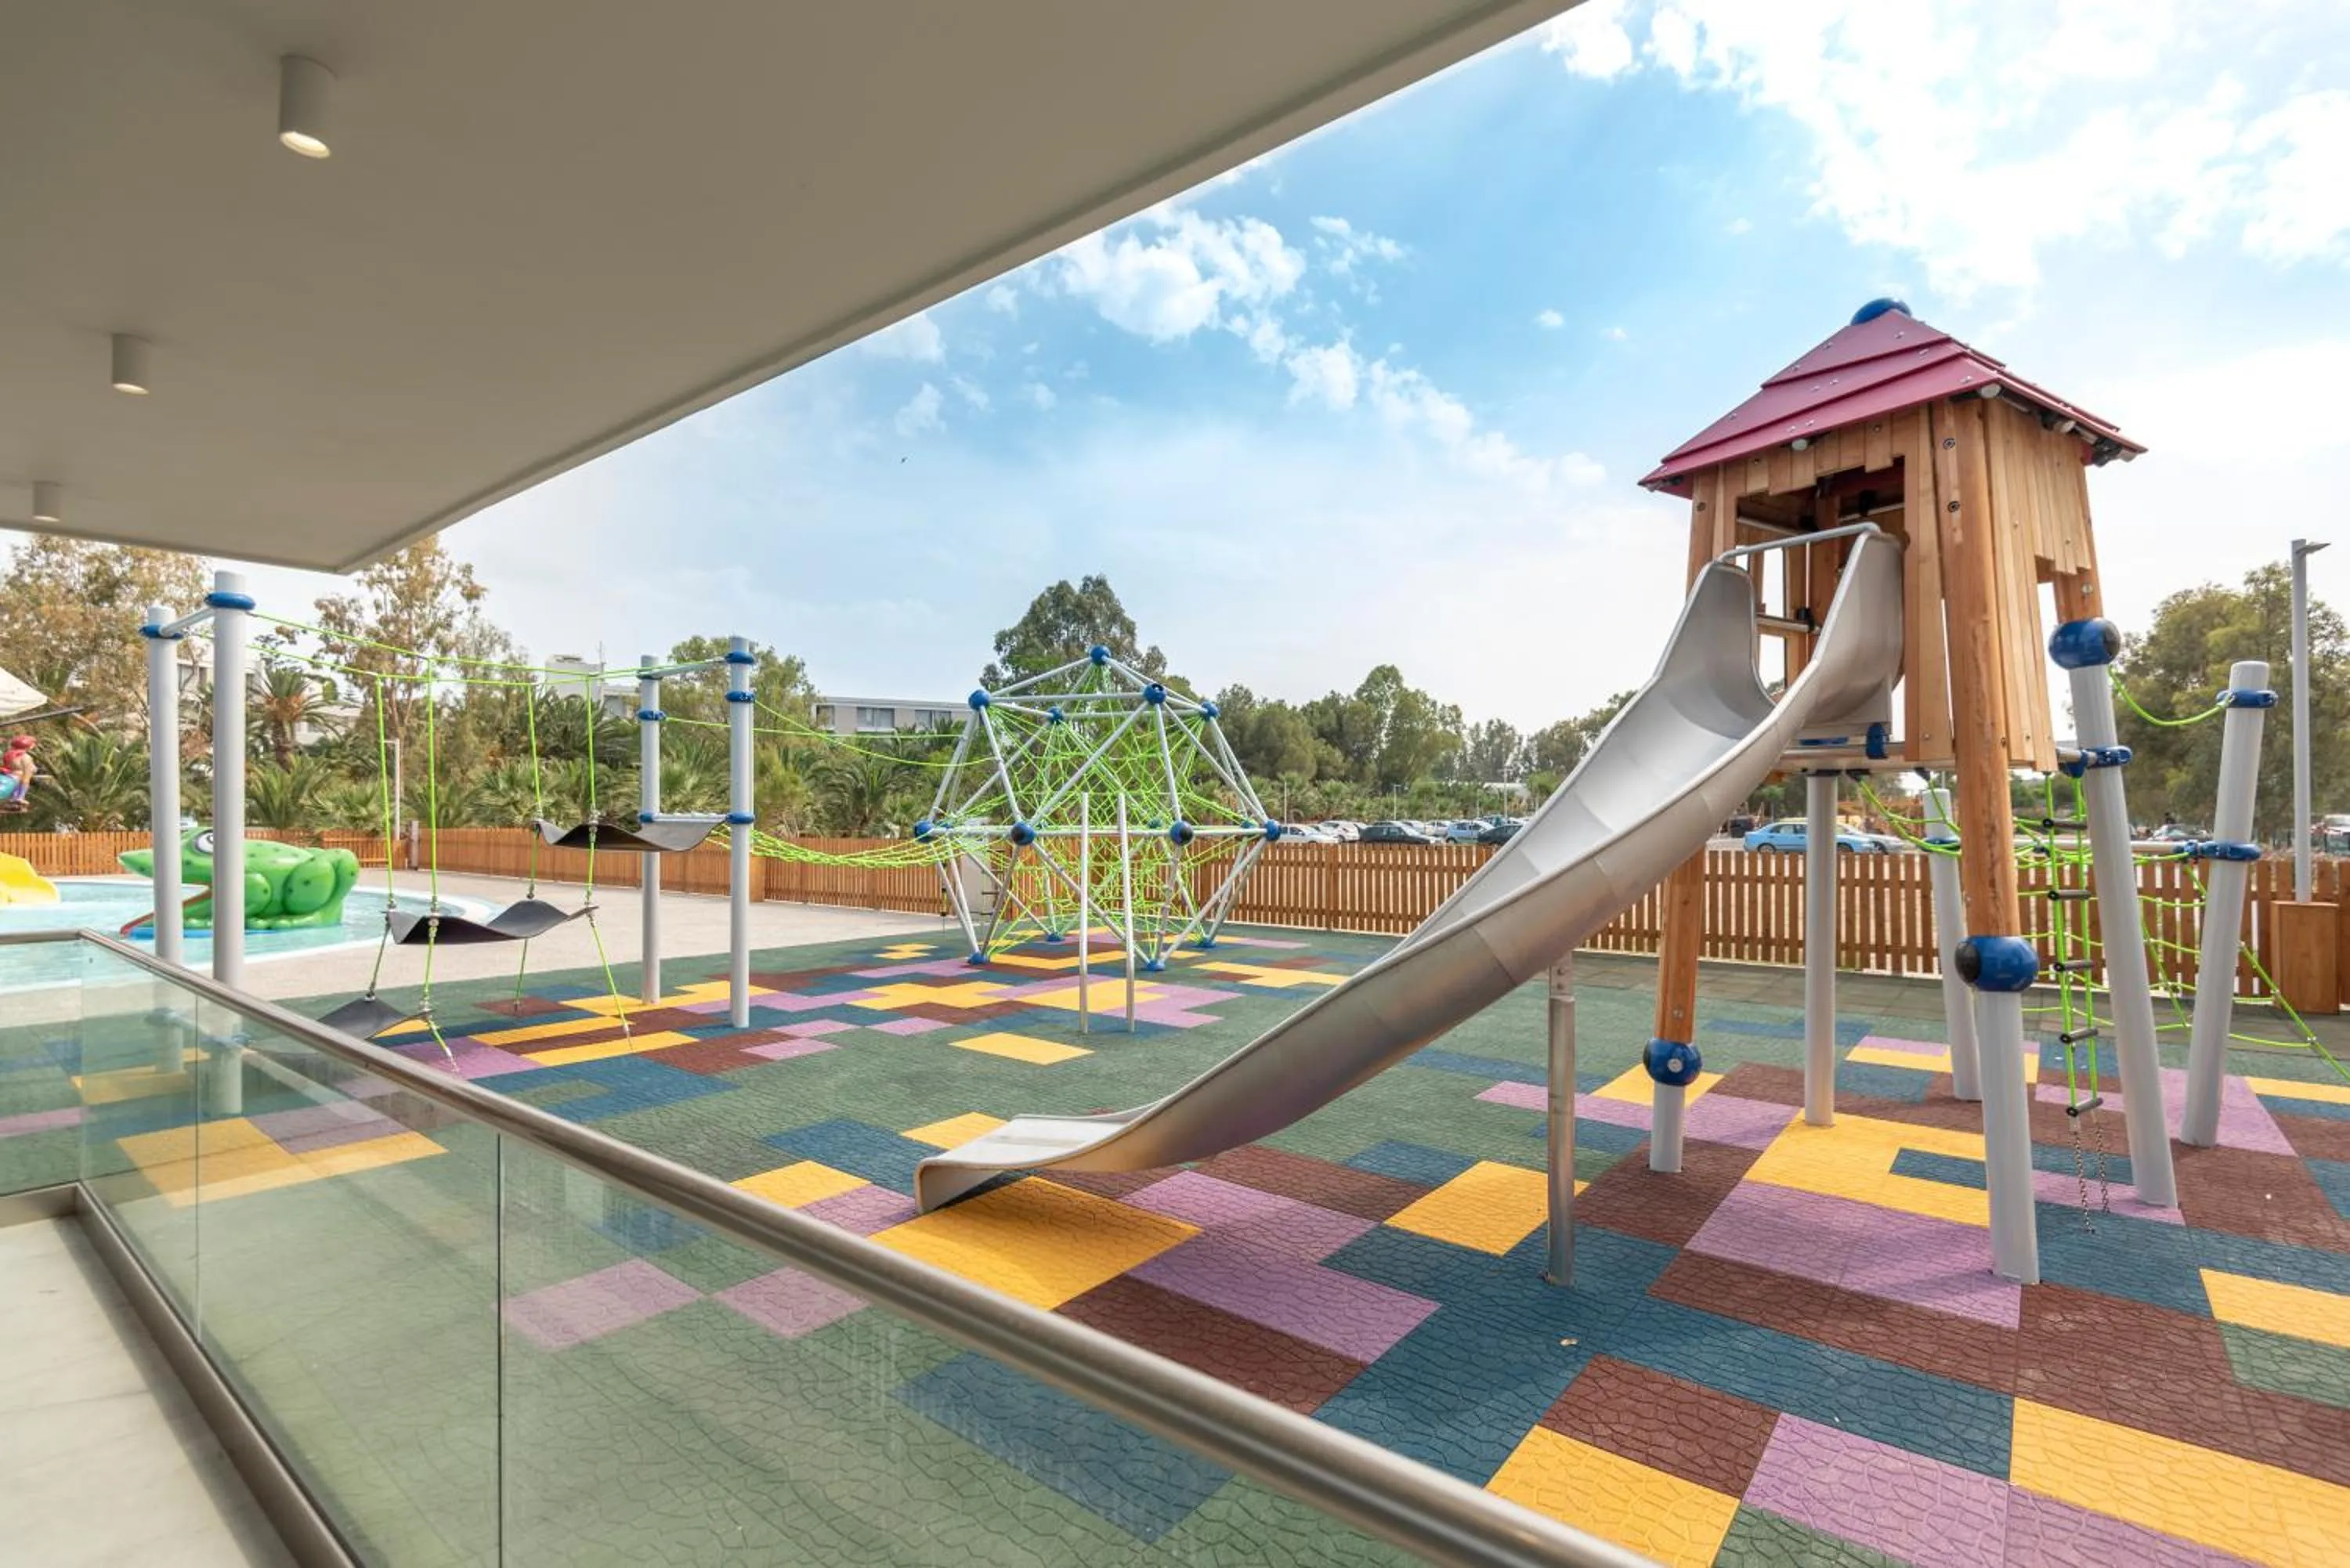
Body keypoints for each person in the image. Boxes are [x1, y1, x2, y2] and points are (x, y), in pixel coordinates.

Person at [0, 735, 34, 811]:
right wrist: (21, 796)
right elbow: (26, 779)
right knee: (23, 780)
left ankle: (14, 799)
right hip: (13, 781)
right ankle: (18, 798)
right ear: (29, 746)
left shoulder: (7, 755)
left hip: (5, 777)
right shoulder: (26, 758)